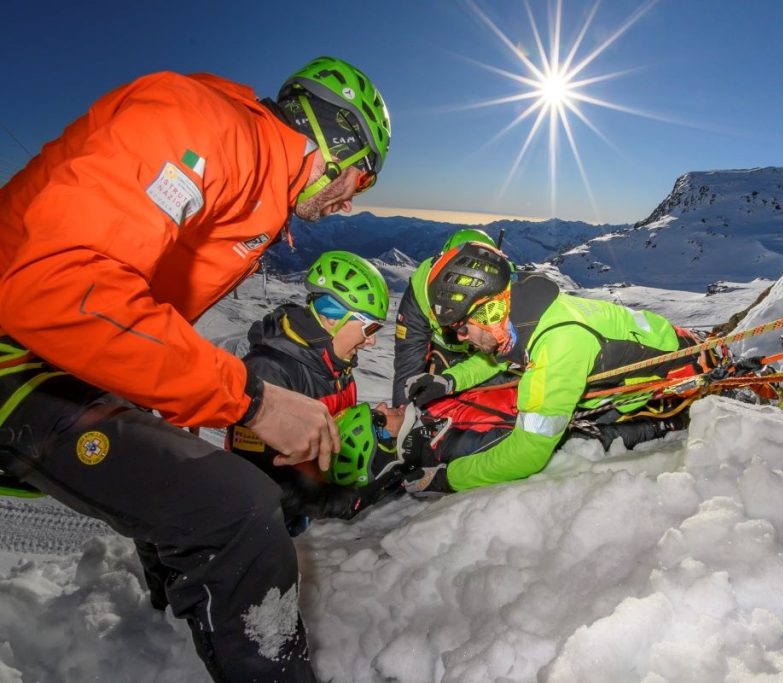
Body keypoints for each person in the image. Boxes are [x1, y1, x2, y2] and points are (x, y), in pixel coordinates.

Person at [0, 55, 390, 682]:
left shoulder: (255, 179)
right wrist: (253, 401)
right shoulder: (204, 127)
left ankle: (166, 631)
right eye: (362, 181)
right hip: (19, 352)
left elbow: (137, 306)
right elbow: (58, 284)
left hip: (52, 356)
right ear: (335, 147)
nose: (351, 202)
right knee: (239, 510)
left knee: (192, 483)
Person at [399, 242, 731, 495]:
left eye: (461, 327)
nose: (461, 338)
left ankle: (673, 421)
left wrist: (446, 478)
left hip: (669, 378)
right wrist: (449, 380)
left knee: (581, 436)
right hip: (652, 348)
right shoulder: (520, 312)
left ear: (487, 312)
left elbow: (527, 453)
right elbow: (492, 356)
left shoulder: (557, 346)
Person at [226, 250, 390, 535]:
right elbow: (256, 477)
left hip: (306, 513)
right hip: (261, 525)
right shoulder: (268, 372)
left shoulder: (337, 367)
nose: (372, 341)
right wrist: (334, 502)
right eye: (369, 327)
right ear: (331, 319)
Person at [392, 227, 500, 406]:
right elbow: (409, 356)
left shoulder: (504, 296)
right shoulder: (421, 290)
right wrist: (402, 412)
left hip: (481, 357)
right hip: (440, 353)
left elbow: (500, 358)